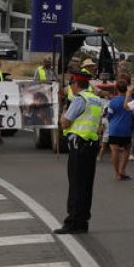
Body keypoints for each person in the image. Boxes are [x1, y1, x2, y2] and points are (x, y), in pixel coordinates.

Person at [55, 70, 103, 234]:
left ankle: (72, 222)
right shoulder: (96, 99)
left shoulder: (79, 99)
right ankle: (83, 221)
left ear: (76, 83)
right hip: (91, 145)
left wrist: (62, 114)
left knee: (75, 185)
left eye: (71, 83)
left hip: (79, 146)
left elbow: (65, 123)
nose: (70, 87)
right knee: (86, 185)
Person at [106, 79, 133, 181]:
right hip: (126, 128)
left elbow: (109, 115)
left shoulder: (113, 101)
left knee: (114, 150)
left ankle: (117, 173)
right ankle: (123, 170)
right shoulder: (130, 100)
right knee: (127, 149)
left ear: (116, 89)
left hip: (114, 128)